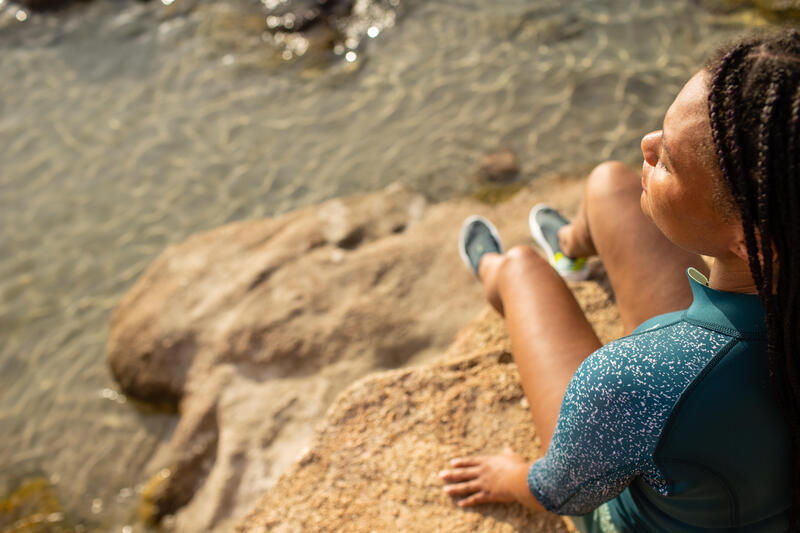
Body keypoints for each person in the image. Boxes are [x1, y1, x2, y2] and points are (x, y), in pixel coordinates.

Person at [440, 30, 799, 532]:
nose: (647, 143)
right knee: (612, 183)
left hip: (627, 516)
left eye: (669, 160)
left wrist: (509, 478)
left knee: (522, 268)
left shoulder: (630, 381)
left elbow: (563, 492)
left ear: (755, 246)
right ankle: (570, 245)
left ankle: (495, 270)